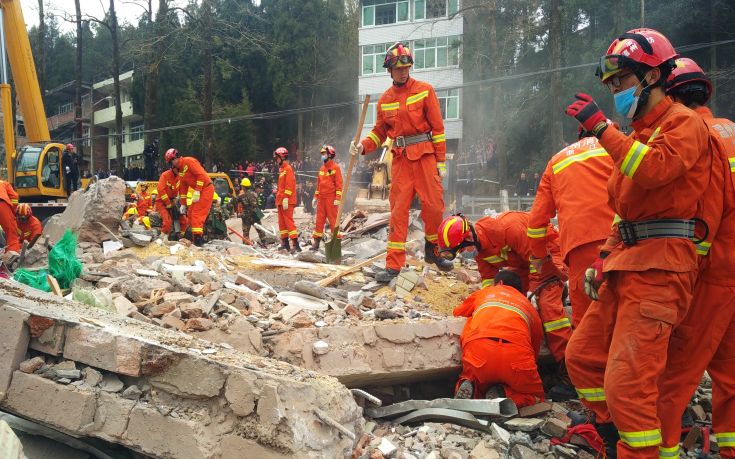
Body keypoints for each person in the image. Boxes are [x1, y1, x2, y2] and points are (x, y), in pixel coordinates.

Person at [563, 28, 713, 458]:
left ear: (652, 77)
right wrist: (603, 257)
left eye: (621, 82)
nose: (615, 92)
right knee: (584, 356)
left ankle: (639, 448)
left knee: (628, 385)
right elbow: (625, 211)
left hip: (660, 270)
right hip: (626, 264)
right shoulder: (642, 134)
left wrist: (601, 128)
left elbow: (653, 171)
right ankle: (612, 433)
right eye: (609, 86)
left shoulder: (684, 124)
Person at [655, 58, 735, 459]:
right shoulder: (732, 132)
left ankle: (664, 451)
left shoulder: (693, 138)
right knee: (731, 376)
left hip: (711, 276)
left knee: (676, 376)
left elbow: (701, 220)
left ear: (668, 96)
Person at [437, 212, 573, 399]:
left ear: (469, 237)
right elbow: (488, 280)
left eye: (462, 250)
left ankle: (569, 371)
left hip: (547, 257)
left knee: (547, 307)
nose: (464, 255)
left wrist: (531, 294)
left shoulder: (509, 228)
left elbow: (537, 260)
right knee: (509, 291)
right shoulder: (480, 247)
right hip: (525, 264)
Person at [349, 42, 453, 282]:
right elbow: (379, 132)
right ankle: (393, 265)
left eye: (406, 67)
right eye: (398, 68)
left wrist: (441, 161)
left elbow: (438, 129)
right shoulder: (385, 100)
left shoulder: (425, 90)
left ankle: (433, 251)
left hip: (425, 156)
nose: (404, 71)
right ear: (390, 71)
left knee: (435, 206)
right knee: (398, 212)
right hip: (401, 160)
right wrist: (363, 146)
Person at [527, 124, 616, 326]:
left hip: (581, 249)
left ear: (579, 135)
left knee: (588, 327)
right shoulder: (621, 147)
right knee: (628, 322)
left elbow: (536, 222)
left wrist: (540, 257)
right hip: (624, 242)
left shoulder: (557, 161)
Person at [453, 270, 545, 407]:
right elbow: (535, 345)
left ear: (500, 283)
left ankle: (470, 385)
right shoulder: (529, 308)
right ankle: (503, 395)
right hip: (516, 356)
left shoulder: (485, 293)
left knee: (474, 376)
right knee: (536, 397)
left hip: (479, 350)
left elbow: (457, 313)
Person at [164, 148, 214, 246]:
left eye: (171, 161)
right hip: (200, 191)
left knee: (196, 214)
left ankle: (199, 241)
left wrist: (198, 190)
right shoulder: (181, 170)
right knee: (190, 214)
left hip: (206, 189)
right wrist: (183, 204)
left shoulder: (189, 162)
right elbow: (183, 189)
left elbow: (201, 175)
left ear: (175, 158)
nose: (171, 165)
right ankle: (195, 239)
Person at [311, 145, 343, 251]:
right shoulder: (321, 169)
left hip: (331, 198)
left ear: (330, 155)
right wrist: (315, 197)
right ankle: (316, 242)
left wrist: (337, 198)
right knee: (319, 220)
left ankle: (336, 243)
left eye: (324, 154)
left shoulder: (336, 168)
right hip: (321, 199)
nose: (322, 156)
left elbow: (339, 184)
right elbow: (318, 185)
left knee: (333, 221)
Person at [273, 147, 300, 253]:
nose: (276, 160)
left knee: (289, 222)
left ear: (282, 157)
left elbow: (289, 186)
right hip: (281, 201)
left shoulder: (288, 169)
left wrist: (285, 199)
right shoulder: (282, 169)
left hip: (286, 201)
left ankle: (295, 244)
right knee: (282, 223)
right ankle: (285, 243)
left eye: (277, 158)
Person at [155, 166, 187, 240]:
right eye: (178, 169)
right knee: (167, 222)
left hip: (173, 201)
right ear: (173, 168)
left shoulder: (180, 177)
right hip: (162, 202)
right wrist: (167, 202)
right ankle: (161, 239)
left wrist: (182, 204)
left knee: (184, 221)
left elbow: (182, 191)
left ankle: (180, 237)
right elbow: (160, 189)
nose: (179, 170)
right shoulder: (165, 175)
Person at [237, 177, 267, 246]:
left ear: (244, 187)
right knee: (260, 230)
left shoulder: (242, 195)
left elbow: (235, 201)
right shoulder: (254, 194)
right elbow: (256, 205)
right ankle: (264, 243)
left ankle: (246, 245)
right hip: (255, 214)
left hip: (246, 216)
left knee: (246, 232)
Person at [0, 180, 20, 253]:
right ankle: (12, 255)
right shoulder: (4, 183)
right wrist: (13, 210)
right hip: (1, 205)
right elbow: (14, 197)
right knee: (11, 232)